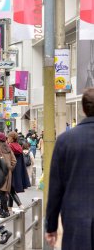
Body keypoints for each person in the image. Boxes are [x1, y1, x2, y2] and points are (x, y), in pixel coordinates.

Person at [45, 88, 94, 249]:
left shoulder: (66, 140)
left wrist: (51, 226)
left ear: (82, 109)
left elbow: (55, 188)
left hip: (76, 218)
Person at [0, 133, 16, 218]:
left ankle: (6, 211)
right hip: (7, 173)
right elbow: (14, 161)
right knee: (3, 192)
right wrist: (10, 168)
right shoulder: (8, 148)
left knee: (1, 192)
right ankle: (1, 209)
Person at [7, 132, 30, 212]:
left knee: (10, 188)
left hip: (12, 169)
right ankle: (9, 207)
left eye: (9, 137)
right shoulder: (19, 146)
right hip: (18, 169)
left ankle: (20, 205)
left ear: (12, 138)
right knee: (11, 187)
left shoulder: (10, 146)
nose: (8, 138)